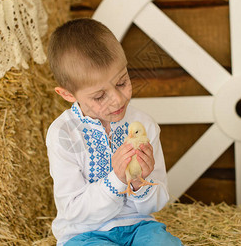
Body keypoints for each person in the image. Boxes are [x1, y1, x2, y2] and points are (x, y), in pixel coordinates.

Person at [46, 18, 182, 246]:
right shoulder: (63, 134)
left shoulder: (144, 125)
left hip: (140, 226)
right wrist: (117, 179)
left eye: (122, 82)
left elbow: (158, 202)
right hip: (84, 234)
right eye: (99, 96)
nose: (118, 99)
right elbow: (73, 211)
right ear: (68, 94)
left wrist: (140, 183)